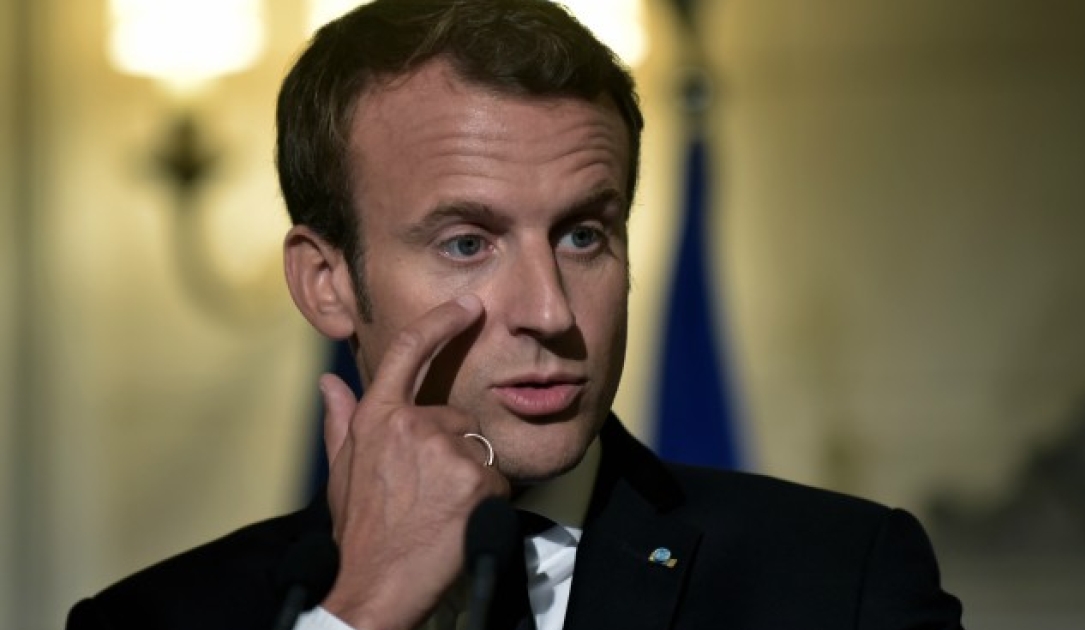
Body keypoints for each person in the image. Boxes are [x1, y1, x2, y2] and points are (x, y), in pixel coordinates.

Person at [67, 1, 965, 628]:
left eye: (583, 235)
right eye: (467, 243)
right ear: (326, 283)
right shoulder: (149, 621)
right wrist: (361, 617)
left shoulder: (842, 580)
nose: (549, 311)